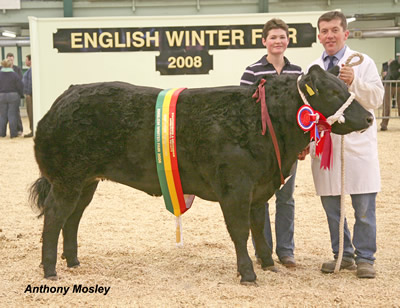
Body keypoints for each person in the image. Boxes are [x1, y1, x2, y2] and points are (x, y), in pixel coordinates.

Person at [309, 11, 384, 279]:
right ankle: (343, 255)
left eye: (334, 30)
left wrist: (356, 82)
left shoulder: (364, 63)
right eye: (324, 31)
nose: (329, 35)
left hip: (358, 145)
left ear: (345, 33)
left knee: (363, 209)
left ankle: (365, 258)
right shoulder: (313, 69)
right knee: (332, 210)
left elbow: (376, 98)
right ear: (319, 36)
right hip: (327, 148)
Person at [240, 18, 305, 268]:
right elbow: (244, 109)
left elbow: (304, 112)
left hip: (288, 149)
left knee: (286, 198)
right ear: (264, 41)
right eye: (273, 37)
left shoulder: (298, 73)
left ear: (288, 40)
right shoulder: (252, 71)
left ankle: (286, 251)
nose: (278, 41)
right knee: (259, 199)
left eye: (282, 37)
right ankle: (262, 249)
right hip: (261, 150)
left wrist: (303, 143)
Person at [0, 58, 24, 138]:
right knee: (12, 115)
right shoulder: (14, 75)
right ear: (10, 65)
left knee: (2, 115)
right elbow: (20, 86)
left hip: (1, 96)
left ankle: (2, 133)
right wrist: (21, 95)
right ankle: (13, 134)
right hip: (13, 96)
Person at [380, 55, 400, 131]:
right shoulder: (393, 64)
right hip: (389, 85)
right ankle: (384, 124)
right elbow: (394, 75)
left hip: (399, 85)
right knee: (387, 104)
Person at [22, 54, 33, 137]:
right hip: (29, 95)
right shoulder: (29, 70)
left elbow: (30, 83)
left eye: (26, 60)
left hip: (30, 96)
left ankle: (33, 130)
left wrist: (28, 93)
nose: (25, 61)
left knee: (31, 113)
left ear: (30, 60)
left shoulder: (31, 71)